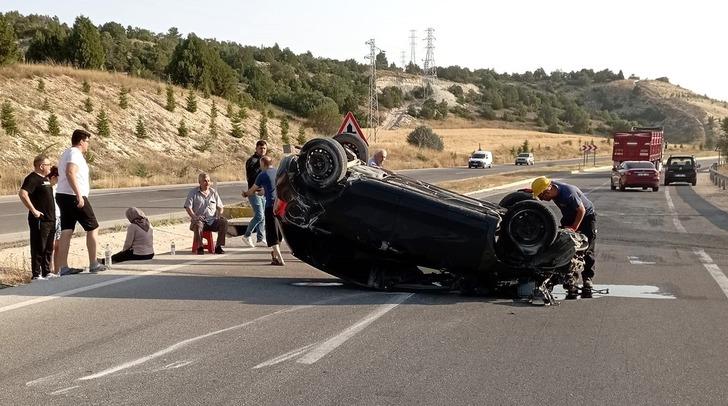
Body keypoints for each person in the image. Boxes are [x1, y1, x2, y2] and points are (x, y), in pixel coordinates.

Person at [531, 176, 597, 298]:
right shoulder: (551, 187)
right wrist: (532, 191)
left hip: (586, 216)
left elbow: (581, 210)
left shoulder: (568, 193)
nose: (541, 199)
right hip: (569, 215)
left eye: (541, 195)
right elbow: (543, 185)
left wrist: (574, 228)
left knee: (588, 249)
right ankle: (571, 278)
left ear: (548, 190)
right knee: (567, 246)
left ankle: (587, 279)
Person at [55, 129, 106, 274]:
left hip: (63, 194)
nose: (88, 145)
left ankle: (63, 267)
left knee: (67, 229)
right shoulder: (75, 154)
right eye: (88, 142)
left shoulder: (67, 152)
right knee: (93, 227)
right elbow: (70, 172)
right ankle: (93, 263)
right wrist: (79, 195)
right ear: (81, 141)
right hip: (73, 195)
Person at [18, 155, 57, 280]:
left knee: (49, 247)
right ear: (41, 166)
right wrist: (33, 210)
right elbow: (23, 194)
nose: (50, 167)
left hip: (51, 218)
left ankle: (47, 271)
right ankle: (36, 274)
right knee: (39, 245)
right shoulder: (32, 178)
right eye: (48, 164)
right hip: (40, 219)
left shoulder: (45, 179)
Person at [247, 156, 285, 266]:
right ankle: (275, 256)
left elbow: (252, 190)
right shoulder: (278, 172)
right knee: (279, 232)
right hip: (281, 206)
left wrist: (245, 193)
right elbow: (274, 188)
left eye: (260, 164)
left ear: (263, 163)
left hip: (270, 206)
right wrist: (264, 192)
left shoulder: (262, 175)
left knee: (272, 234)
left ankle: (280, 258)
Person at [184, 172, 227, 254]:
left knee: (223, 222)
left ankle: (218, 246)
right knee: (198, 224)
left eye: (208, 181)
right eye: (205, 181)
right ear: (199, 182)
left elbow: (220, 207)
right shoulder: (193, 193)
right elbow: (188, 207)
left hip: (212, 221)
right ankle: (200, 247)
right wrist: (194, 217)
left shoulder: (213, 192)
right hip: (199, 221)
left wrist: (219, 214)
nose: (207, 183)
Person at [241, 140, 267, 247]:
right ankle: (247, 235)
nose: (263, 150)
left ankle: (260, 238)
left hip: (263, 192)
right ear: (256, 148)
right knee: (259, 215)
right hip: (253, 191)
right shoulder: (252, 161)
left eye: (264, 148)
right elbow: (252, 177)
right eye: (261, 148)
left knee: (263, 216)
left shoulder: (264, 161)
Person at [48, 165, 62, 275]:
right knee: (51, 246)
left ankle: (58, 270)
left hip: (60, 216)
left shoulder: (59, 187)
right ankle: (50, 268)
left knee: (58, 245)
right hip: (52, 217)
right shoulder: (47, 187)